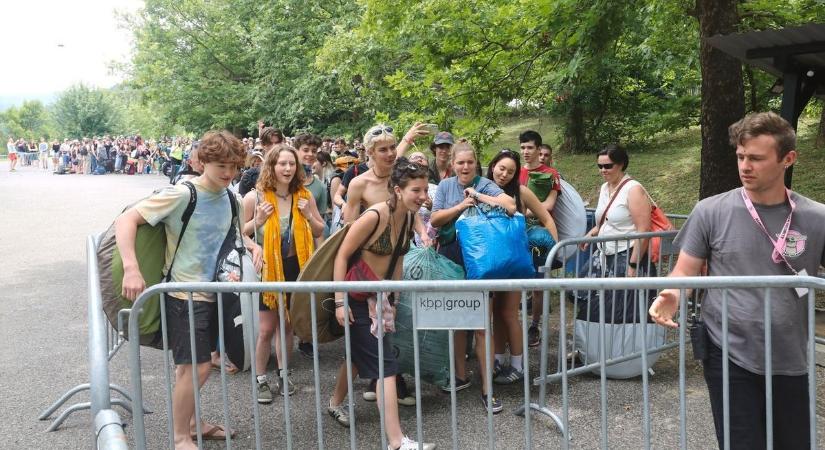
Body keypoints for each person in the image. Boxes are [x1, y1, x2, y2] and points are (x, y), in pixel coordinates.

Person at [649, 112, 825, 450]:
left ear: (788, 159)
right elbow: (684, 270)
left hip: (790, 356)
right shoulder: (710, 211)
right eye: (741, 156)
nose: (745, 166)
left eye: (756, 158)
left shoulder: (816, 217)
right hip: (728, 351)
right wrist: (670, 294)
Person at [116, 130, 262, 450]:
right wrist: (131, 267)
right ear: (204, 161)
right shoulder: (182, 194)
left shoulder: (231, 198)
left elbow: (234, 234)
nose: (228, 173)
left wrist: (251, 245)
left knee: (195, 366)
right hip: (183, 295)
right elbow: (127, 220)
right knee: (195, 367)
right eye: (221, 165)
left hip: (216, 293)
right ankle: (180, 436)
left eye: (234, 167)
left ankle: (193, 425)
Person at [329, 158, 435, 450]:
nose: (423, 196)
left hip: (381, 300)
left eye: (425, 189)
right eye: (416, 190)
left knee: (356, 357)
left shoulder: (407, 217)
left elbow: (398, 259)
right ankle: (397, 442)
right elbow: (341, 255)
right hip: (356, 297)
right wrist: (340, 302)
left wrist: (394, 299)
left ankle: (334, 402)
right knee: (386, 367)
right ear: (398, 190)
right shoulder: (375, 215)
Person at [430, 141, 516, 413]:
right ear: (452, 164)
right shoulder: (445, 186)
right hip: (451, 257)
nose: (465, 167)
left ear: (475, 163)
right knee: (456, 321)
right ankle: (460, 376)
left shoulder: (485, 183)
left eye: (469, 162)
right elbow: (435, 220)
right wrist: (461, 205)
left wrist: (479, 196)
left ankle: (487, 388)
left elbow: (510, 205)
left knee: (481, 325)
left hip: (480, 261)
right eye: (460, 163)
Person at [242, 145, 325, 403]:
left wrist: (309, 215)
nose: (288, 169)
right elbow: (238, 233)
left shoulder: (304, 196)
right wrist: (257, 223)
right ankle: (260, 379)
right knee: (267, 328)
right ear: (271, 166)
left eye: (292, 164)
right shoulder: (255, 197)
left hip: (296, 267)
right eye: (282, 164)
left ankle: (283, 373)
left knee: (288, 325)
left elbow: (320, 229)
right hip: (268, 268)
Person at [485, 149, 558, 384]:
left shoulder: (521, 192)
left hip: (515, 261)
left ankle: (518, 366)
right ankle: (496, 360)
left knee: (509, 313)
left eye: (511, 171)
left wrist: (552, 252)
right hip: (488, 262)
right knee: (495, 313)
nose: (504, 174)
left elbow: (546, 219)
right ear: (493, 165)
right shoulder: (482, 187)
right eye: (501, 168)